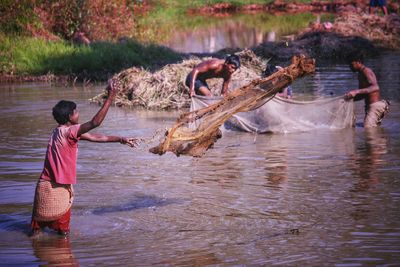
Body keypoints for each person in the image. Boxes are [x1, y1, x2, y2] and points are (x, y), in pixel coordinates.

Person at [30, 79, 139, 237]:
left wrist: (121, 139)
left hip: (43, 187)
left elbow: (97, 137)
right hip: (58, 190)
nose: (78, 114)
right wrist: (111, 96)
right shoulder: (71, 132)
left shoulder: (58, 132)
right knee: (63, 237)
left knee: (35, 234)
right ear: (69, 116)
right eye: (76, 112)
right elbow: (95, 123)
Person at [345, 54, 389, 127]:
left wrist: (356, 91)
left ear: (358, 62)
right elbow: (363, 94)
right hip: (370, 107)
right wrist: (349, 98)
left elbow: (375, 87)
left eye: (351, 64)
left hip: (375, 106)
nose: (350, 67)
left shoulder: (366, 71)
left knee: (367, 128)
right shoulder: (360, 74)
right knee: (371, 129)